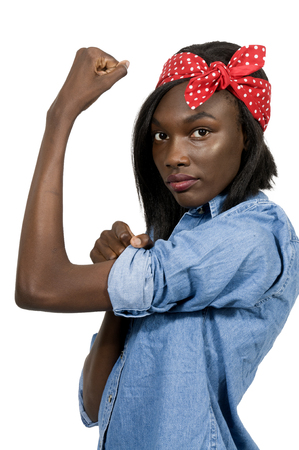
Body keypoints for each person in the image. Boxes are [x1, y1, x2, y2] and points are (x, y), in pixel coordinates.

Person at [15, 42, 299, 450]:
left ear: (246, 139)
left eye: (201, 131)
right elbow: (97, 407)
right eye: (161, 136)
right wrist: (119, 291)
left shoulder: (252, 236)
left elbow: (38, 285)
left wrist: (61, 115)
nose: (173, 155)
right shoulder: (178, 241)